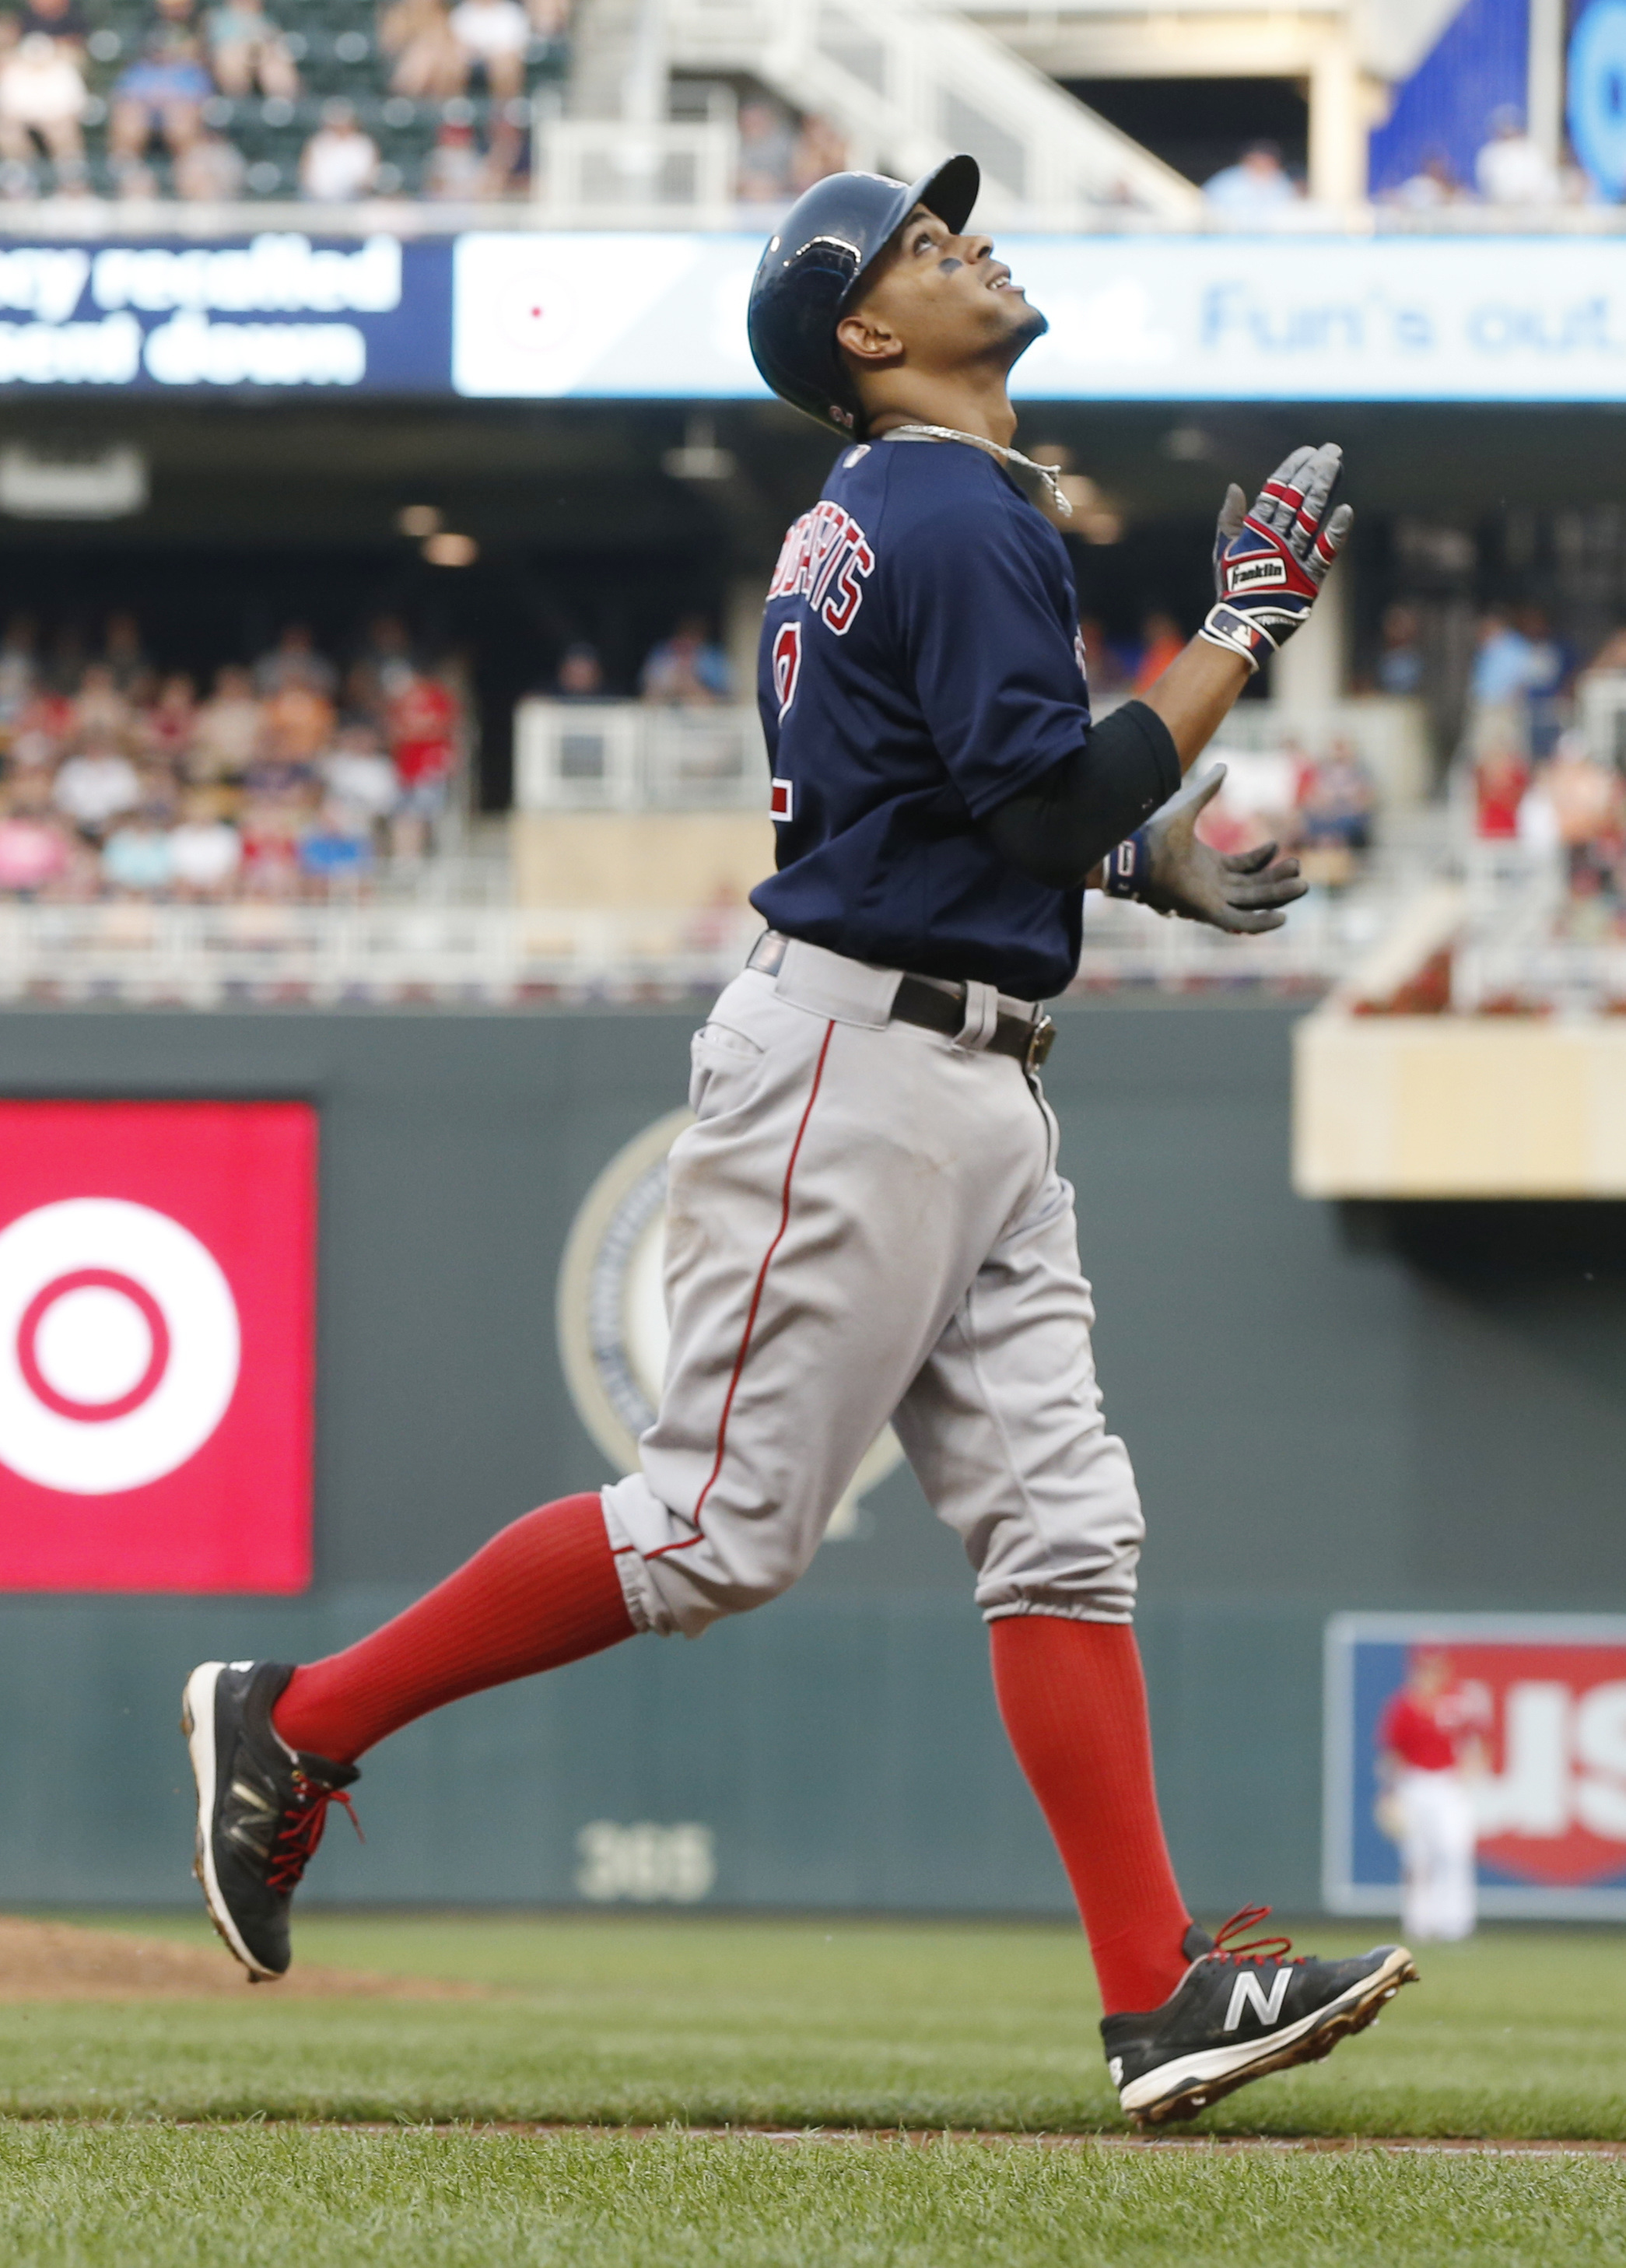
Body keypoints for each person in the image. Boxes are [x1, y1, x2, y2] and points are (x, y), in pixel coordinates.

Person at [179, 155, 1415, 2130]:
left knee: (1064, 1532)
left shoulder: (912, 508)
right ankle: (297, 1722)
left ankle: (1156, 1992)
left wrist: (1135, 852)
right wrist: (1241, 625)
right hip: (865, 1056)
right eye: (924, 246)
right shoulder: (935, 501)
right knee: (711, 1529)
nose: (968, 247)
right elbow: (1015, 812)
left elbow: (951, 798)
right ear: (864, 334)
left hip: (968, 1066)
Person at [1379, 1649, 1485, 1944]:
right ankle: (1419, 1925)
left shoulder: (1459, 1703)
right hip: (1414, 1784)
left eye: (1436, 1669)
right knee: (1417, 1857)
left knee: (1454, 1852)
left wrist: (1472, 1772)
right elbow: (1392, 1753)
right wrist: (1390, 1794)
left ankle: (1456, 1924)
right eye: (1425, 1669)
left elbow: (1478, 1741)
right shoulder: (1403, 1706)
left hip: (1449, 1784)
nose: (1430, 1675)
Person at [203, 0, 296, 97]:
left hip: (264, 58)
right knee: (230, 62)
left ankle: (284, 106)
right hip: (234, 59)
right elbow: (217, 47)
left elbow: (277, 42)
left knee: (276, 67)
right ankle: (237, 104)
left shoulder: (266, 20)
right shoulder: (218, 18)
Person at [1475, 107, 1558, 206]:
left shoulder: (1531, 151)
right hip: (1501, 209)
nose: (1509, 131)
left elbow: (1542, 181)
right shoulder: (1490, 153)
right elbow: (1489, 185)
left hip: (1532, 209)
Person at [299, 100, 379, 202]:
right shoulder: (318, 142)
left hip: (355, 199)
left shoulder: (363, 143)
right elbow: (306, 174)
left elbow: (368, 176)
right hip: (319, 201)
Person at [639, 615, 730, 704]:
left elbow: (726, 691)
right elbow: (646, 685)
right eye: (686, 631)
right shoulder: (663, 651)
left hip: (702, 710)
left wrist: (691, 686)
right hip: (665, 707)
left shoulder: (711, 656)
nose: (689, 636)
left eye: (695, 632)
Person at [447, 0, 527, 99]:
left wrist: (489, 55)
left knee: (506, 66)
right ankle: (455, 107)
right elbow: (458, 47)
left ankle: (505, 109)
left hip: (500, 61)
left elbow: (514, 48)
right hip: (469, 62)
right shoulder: (461, 13)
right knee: (451, 64)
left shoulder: (511, 12)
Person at [1203, 139, 1298, 214]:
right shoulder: (1227, 181)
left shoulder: (1280, 180)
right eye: (1259, 160)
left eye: (1268, 161)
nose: (1263, 165)